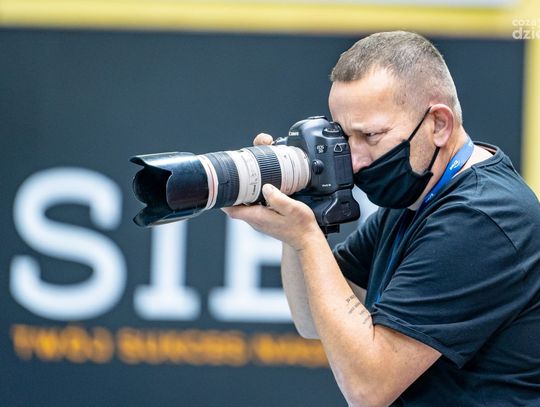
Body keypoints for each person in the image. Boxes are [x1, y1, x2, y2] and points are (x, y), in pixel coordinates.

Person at [223, 31, 540, 406]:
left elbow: (368, 387)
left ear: (439, 124)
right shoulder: (414, 199)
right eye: (344, 138)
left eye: (371, 135)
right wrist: (297, 222)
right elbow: (310, 320)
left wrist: (307, 237)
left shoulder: (480, 218)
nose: (355, 161)